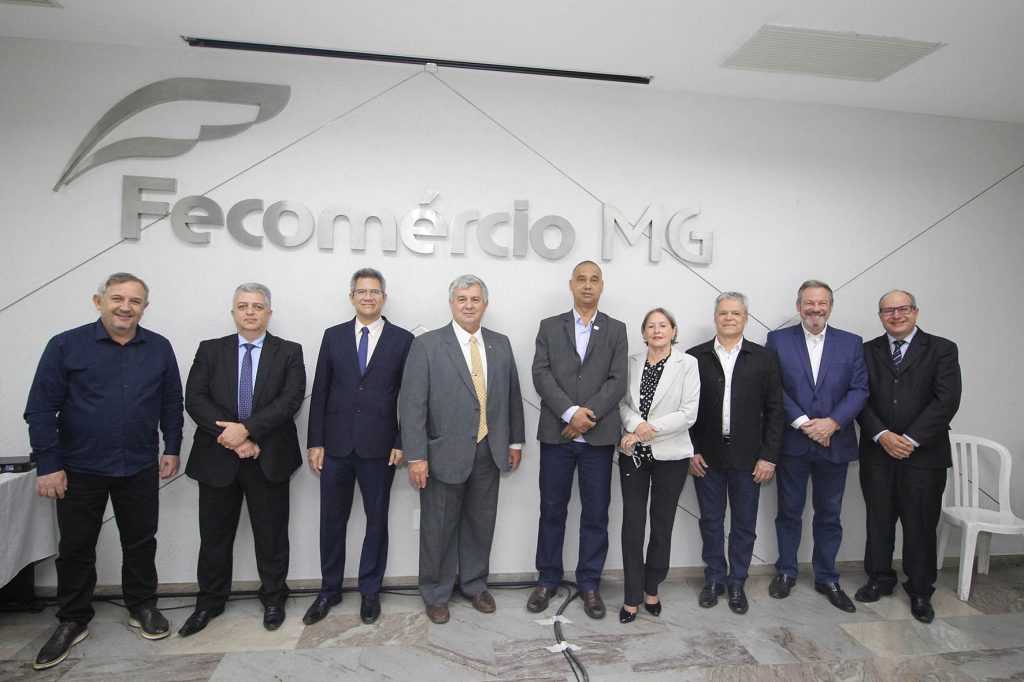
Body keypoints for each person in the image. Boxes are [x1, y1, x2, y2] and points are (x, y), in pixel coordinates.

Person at [24, 273, 183, 670]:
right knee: (77, 547)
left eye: (135, 301)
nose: (125, 307)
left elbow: (171, 401)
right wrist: (48, 465)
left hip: (139, 464)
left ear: (145, 307)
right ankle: (72, 619)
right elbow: (40, 409)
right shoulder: (65, 345)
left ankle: (142, 606)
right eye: (117, 299)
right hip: (79, 468)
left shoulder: (159, 347)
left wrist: (172, 447)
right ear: (99, 302)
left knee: (141, 542)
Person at [178, 283, 305, 635]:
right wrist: (234, 439)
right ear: (233, 312)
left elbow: (290, 400)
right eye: (243, 306)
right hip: (217, 458)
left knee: (272, 535)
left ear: (269, 313)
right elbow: (195, 398)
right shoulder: (210, 350)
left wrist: (247, 431)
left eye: (258, 306)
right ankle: (209, 602)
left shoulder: (289, 352)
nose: (250, 312)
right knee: (214, 537)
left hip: (269, 457)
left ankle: (274, 598)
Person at [400, 274, 525, 624]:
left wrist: (514, 441)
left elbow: (512, 396)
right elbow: (412, 405)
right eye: (462, 299)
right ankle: (436, 592)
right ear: (451, 304)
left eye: (474, 299)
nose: (468, 305)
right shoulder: (427, 345)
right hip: (442, 454)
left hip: (490, 450)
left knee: (480, 524)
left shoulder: (500, 344)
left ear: (485, 304)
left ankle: (474, 584)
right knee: (438, 527)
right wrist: (416, 456)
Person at [304, 268, 413, 626]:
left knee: (376, 521)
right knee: (331, 521)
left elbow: (409, 396)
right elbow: (320, 390)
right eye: (362, 291)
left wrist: (402, 440)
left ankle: (370, 591)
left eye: (374, 292)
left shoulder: (403, 339)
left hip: (380, 447)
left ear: (384, 297)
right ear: (351, 297)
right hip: (335, 446)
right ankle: (329, 590)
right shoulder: (333, 336)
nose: (368, 297)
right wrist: (315, 441)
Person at [529, 261, 628, 618]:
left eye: (594, 280)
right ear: (570, 284)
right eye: (581, 279)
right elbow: (541, 373)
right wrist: (570, 413)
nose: (587, 285)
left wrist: (587, 417)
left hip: (598, 440)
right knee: (552, 510)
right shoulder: (549, 326)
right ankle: (547, 579)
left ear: (602, 286)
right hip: (557, 436)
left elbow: (618, 380)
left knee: (596, 514)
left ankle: (589, 584)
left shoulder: (616, 329)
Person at [855, 290, 961, 623]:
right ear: (880, 315)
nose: (896, 315)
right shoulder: (866, 351)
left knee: (921, 525)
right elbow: (858, 397)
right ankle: (880, 578)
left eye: (903, 309)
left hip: (924, 456)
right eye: (888, 310)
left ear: (915, 311)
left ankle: (920, 590)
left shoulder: (942, 349)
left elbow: (946, 400)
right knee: (879, 520)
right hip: (878, 452)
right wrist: (882, 435)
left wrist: (911, 439)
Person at [765, 280, 868, 612]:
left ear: (830, 307)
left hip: (834, 443)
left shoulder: (851, 343)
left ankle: (827, 577)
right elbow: (773, 387)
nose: (815, 309)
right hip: (793, 442)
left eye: (822, 303)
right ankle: (786, 572)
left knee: (829, 515)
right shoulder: (778, 340)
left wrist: (832, 423)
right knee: (788, 513)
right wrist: (804, 423)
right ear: (799, 307)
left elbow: (859, 389)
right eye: (809, 303)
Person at [687, 292, 784, 614]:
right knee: (711, 521)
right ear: (715, 317)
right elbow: (685, 410)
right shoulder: (695, 357)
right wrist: (692, 450)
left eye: (736, 313)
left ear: (746, 318)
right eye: (723, 313)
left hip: (750, 456)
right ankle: (714, 579)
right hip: (707, 456)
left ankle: (737, 582)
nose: (729, 318)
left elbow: (775, 410)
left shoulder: (764, 358)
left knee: (743, 524)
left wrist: (769, 456)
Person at [616, 308, 700, 623]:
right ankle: (631, 596)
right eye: (650, 325)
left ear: (673, 331)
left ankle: (652, 587)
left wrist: (648, 430)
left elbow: (688, 413)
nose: (656, 330)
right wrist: (636, 426)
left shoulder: (687, 363)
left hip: (672, 456)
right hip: (633, 454)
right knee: (632, 525)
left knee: (662, 525)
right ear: (644, 332)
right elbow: (621, 404)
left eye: (663, 325)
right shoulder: (631, 362)